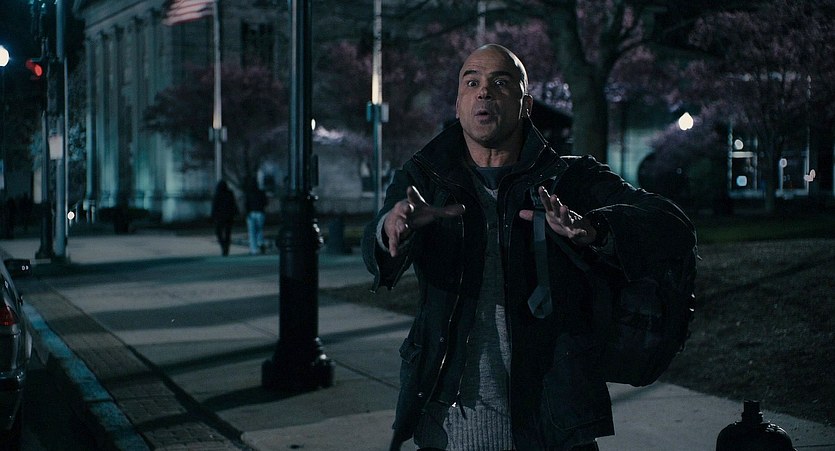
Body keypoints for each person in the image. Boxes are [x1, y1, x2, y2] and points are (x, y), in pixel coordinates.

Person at [361, 44, 696, 451]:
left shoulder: (570, 178)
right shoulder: (426, 178)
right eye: (472, 83)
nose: (484, 92)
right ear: (458, 103)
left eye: (500, 82)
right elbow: (377, 250)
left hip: (554, 423)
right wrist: (392, 229)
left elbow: (672, 225)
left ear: (526, 105)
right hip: (447, 426)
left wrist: (593, 229)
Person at [211, 180, 238, 256]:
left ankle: (223, 246)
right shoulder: (230, 194)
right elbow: (233, 204)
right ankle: (226, 247)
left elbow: (214, 206)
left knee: (219, 232)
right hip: (229, 217)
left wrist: (213, 216)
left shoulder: (217, 194)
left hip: (220, 217)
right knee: (227, 234)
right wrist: (235, 213)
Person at [244, 178, 268, 255]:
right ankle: (261, 243)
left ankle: (254, 249)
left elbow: (246, 204)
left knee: (252, 232)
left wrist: (247, 213)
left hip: (251, 213)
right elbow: (265, 202)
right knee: (259, 230)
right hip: (260, 212)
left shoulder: (248, 193)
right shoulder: (261, 193)